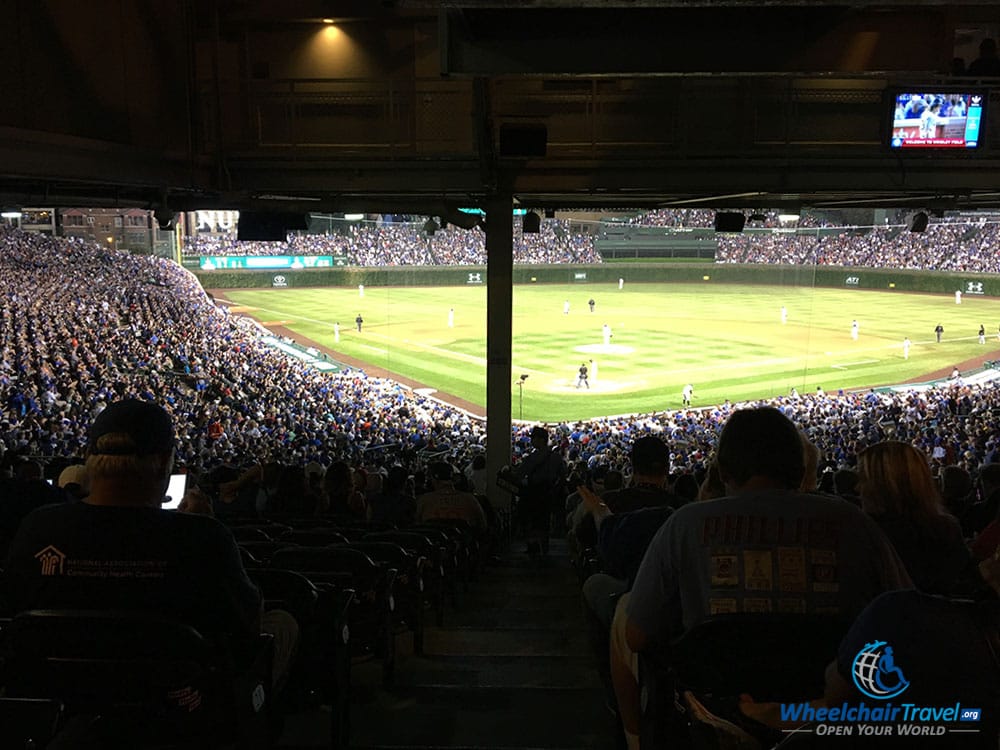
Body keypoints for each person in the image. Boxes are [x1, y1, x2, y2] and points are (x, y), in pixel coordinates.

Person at [611, 407, 911, 750]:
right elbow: (907, 621)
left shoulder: (685, 524)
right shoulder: (854, 523)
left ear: (722, 470)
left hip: (714, 710)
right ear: (800, 469)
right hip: (824, 711)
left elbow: (636, 636)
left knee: (623, 610)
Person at [0, 399, 298, 688]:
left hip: (54, 696)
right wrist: (206, 527)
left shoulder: (38, 528)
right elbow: (246, 626)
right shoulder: (203, 536)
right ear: (165, 463)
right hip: (177, 710)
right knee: (282, 622)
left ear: (89, 457)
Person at [510, 426, 565, 556]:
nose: (531, 441)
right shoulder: (556, 457)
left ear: (540, 440)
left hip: (533, 494)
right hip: (549, 494)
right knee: (544, 523)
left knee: (532, 522)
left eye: (533, 438)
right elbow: (562, 476)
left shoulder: (533, 458)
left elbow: (520, 474)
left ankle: (533, 548)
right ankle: (544, 549)